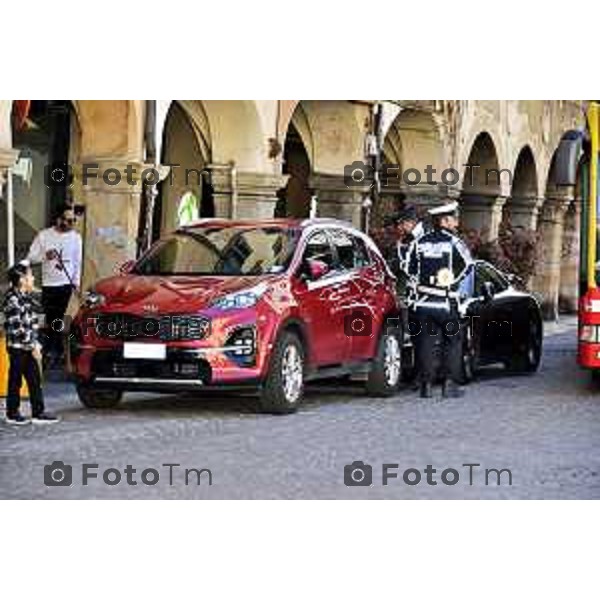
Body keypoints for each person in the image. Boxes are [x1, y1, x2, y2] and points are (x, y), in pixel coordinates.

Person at [406, 201, 473, 399]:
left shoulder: (419, 242)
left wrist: (422, 283)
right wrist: (451, 281)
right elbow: (468, 265)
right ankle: (449, 384)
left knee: (425, 342)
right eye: (453, 219)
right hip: (445, 304)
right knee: (452, 340)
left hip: (423, 304)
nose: (456, 223)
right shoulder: (454, 242)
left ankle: (426, 385)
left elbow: (409, 269)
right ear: (443, 220)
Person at [2, 261, 58, 424]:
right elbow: (18, 329)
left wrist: (36, 344)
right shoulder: (12, 299)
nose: (33, 278)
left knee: (34, 380)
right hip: (18, 348)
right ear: (21, 279)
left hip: (29, 345)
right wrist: (34, 346)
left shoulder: (26, 298)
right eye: (30, 276)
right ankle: (12, 414)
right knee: (16, 380)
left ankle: (38, 413)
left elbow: (31, 324)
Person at [27, 204, 82, 364]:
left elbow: (77, 262)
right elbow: (31, 258)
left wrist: (76, 282)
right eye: (68, 220)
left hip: (66, 283)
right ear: (58, 219)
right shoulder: (44, 236)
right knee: (51, 318)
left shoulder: (76, 238)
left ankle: (54, 350)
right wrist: (45, 256)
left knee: (58, 317)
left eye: (73, 220)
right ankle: (53, 349)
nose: (71, 224)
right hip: (49, 284)